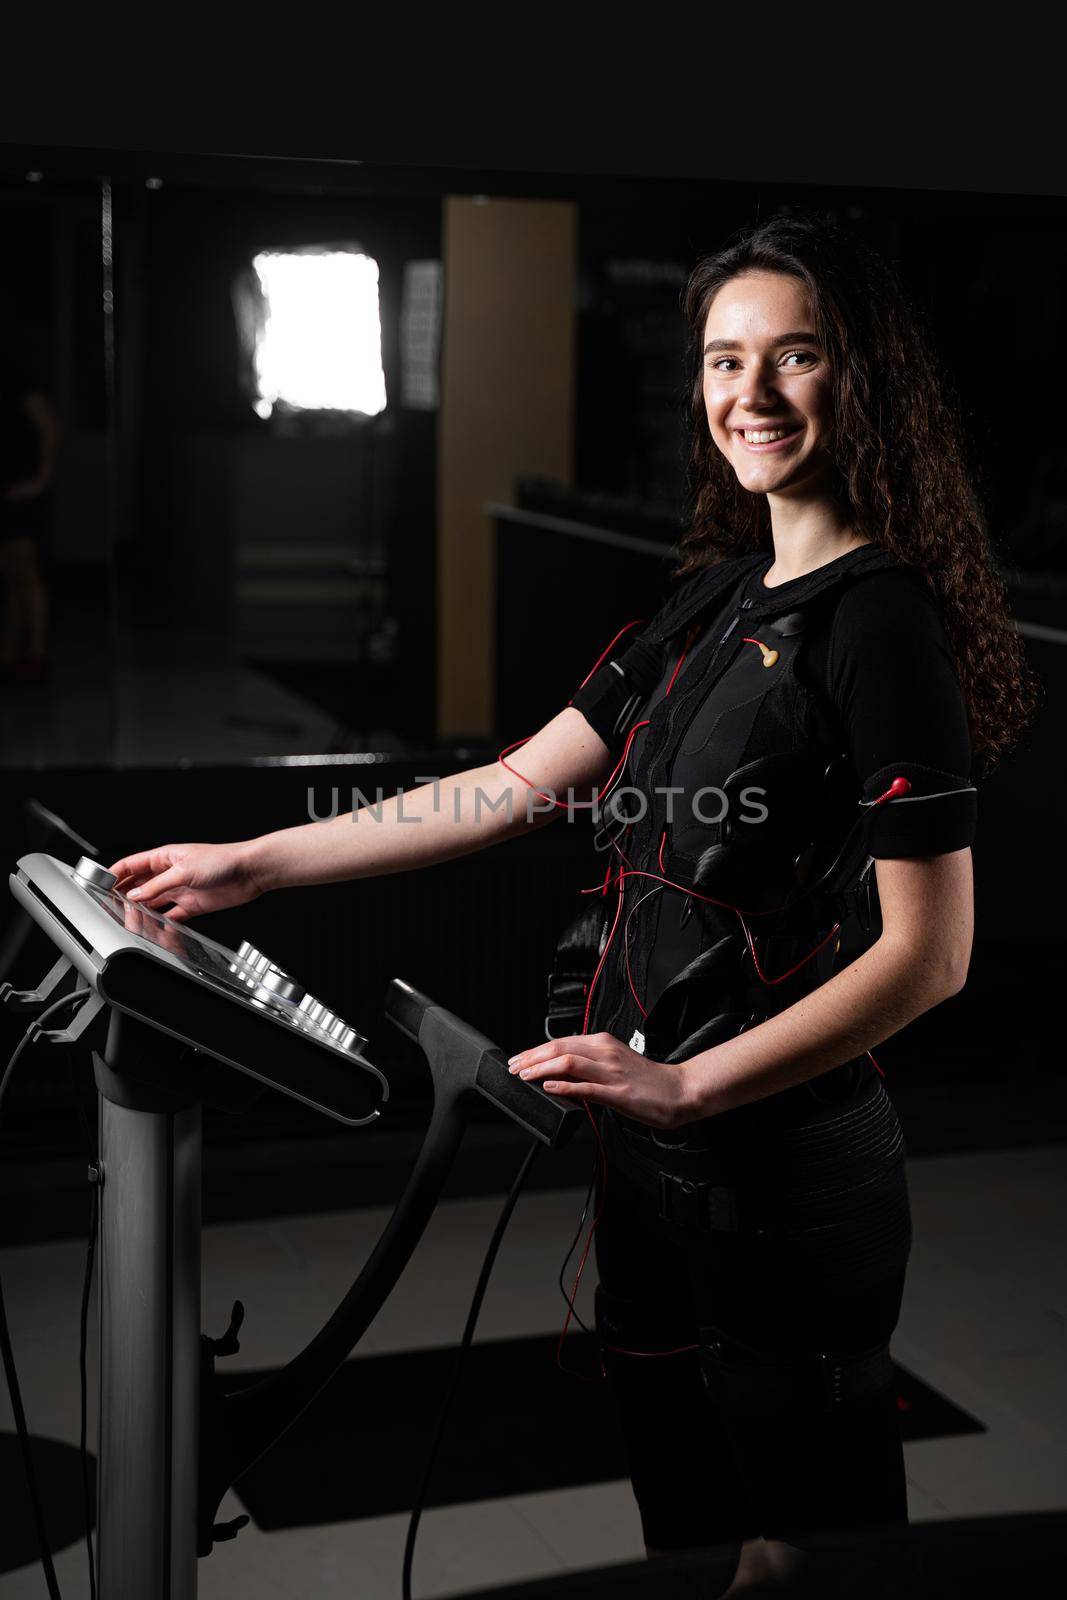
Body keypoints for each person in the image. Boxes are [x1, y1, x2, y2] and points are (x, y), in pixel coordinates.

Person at [108, 215, 1036, 1595]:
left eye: (795, 356)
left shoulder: (877, 622)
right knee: (687, 1537)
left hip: (782, 1177)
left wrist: (692, 1088)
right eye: (724, 360)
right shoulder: (711, 599)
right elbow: (498, 788)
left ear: (863, 380)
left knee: (804, 1560)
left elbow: (931, 955)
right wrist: (252, 864)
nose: (751, 394)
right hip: (655, 1169)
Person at [0, 349, 55, 683]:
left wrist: (41, 479)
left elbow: (48, 425)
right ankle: (10, 653)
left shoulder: (14, 375)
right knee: (10, 577)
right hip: (7, 491)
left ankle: (37, 654)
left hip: (19, 491)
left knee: (25, 572)